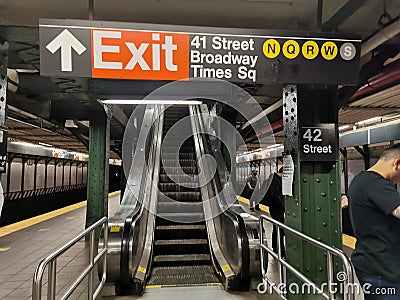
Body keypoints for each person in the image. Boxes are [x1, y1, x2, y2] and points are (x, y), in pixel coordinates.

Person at [348, 144, 400, 299]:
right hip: (382, 271)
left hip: (374, 264)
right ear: (397, 163)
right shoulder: (374, 183)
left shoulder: (361, 180)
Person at [262, 167, 285, 258]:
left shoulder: (273, 179)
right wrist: (282, 205)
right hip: (275, 208)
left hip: (274, 207)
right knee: (279, 228)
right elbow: (274, 195)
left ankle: (276, 248)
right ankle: (280, 250)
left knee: (277, 228)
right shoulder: (275, 181)